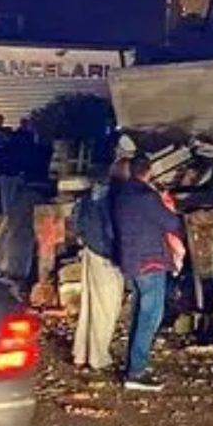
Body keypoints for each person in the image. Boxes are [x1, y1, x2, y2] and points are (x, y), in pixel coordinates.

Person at [112, 154, 183, 392]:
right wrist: (166, 205)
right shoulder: (146, 196)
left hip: (132, 262)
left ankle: (133, 365)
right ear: (149, 171)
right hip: (151, 261)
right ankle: (136, 372)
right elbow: (171, 223)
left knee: (140, 314)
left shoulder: (122, 194)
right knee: (151, 316)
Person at [72, 158, 130, 373]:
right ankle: (98, 357)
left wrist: (84, 239)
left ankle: (81, 353)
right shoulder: (113, 196)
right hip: (105, 255)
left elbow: (76, 221)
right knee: (106, 307)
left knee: (89, 305)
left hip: (90, 250)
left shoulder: (87, 196)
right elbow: (111, 230)